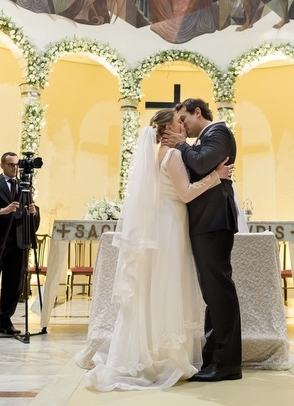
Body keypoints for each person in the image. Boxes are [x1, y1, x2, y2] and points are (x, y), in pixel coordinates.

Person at [79, 110, 233, 390]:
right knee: (168, 285)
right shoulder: (173, 155)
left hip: (161, 221)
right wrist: (216, 177)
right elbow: (185, 193)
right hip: (171, 224)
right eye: (178, 124)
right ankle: (168, 355)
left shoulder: (153, 153)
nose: (183, 127)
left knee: (155, 287)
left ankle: (150, 349)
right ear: (167, 130)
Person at [160, 97, 241, 382]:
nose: (182, 127)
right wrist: (187, 148)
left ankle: (227, 363)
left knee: (220, 291)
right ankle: (214, 359)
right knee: (212, 292)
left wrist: (181, 144)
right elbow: (197, 169)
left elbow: (203, 162)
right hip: (205, 220)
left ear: (198, 112)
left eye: (184, 120)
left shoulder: (219, 132)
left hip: (214, 220)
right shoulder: (203, 139)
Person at [0, 152, 41, 337]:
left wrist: (33, 212)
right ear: (2, 165)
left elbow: (32, 213)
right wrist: (2, 210)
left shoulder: (25, 186)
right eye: (11, 164)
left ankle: (6, 322)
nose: (14, 168)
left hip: (19, 242)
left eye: (16, 165)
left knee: (13, 285)